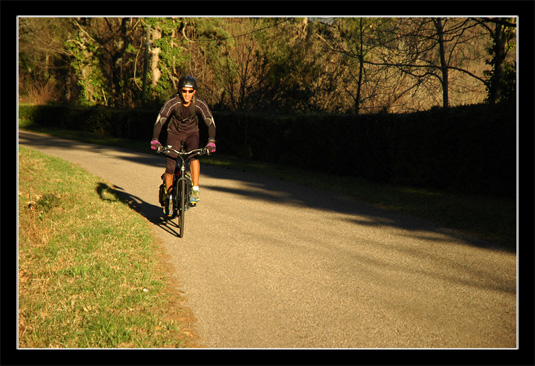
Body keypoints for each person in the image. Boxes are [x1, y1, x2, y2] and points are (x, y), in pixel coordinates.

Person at [151, 75, 216, 216]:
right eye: (184, 91)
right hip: (174, 133)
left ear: (195, 92)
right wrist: (155, 139)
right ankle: (169, 199)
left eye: (190, 91)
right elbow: (161, 119)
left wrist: (211, 141)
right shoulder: (173, 102)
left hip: (192, 133)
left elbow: (210, 121)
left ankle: (195, 190)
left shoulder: (199, 103)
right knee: (170, 166)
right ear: (180, 91)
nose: (187, 94)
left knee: (194, 156)